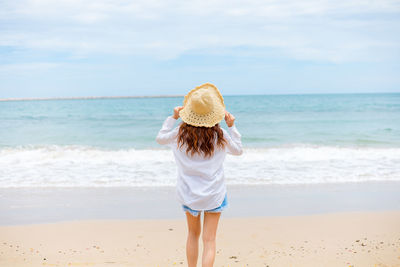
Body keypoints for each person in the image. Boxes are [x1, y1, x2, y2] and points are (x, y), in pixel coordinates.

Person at [156, 82, 243, 267]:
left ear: (189, 112)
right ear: (215, 113)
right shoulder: (220, 135)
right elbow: (238, 150)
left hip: (189, 194)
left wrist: (173, 117)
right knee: (209, 240)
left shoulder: (179, 133)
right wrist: (232, 127)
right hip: (214, 194)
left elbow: (160, 138)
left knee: (192, 235)